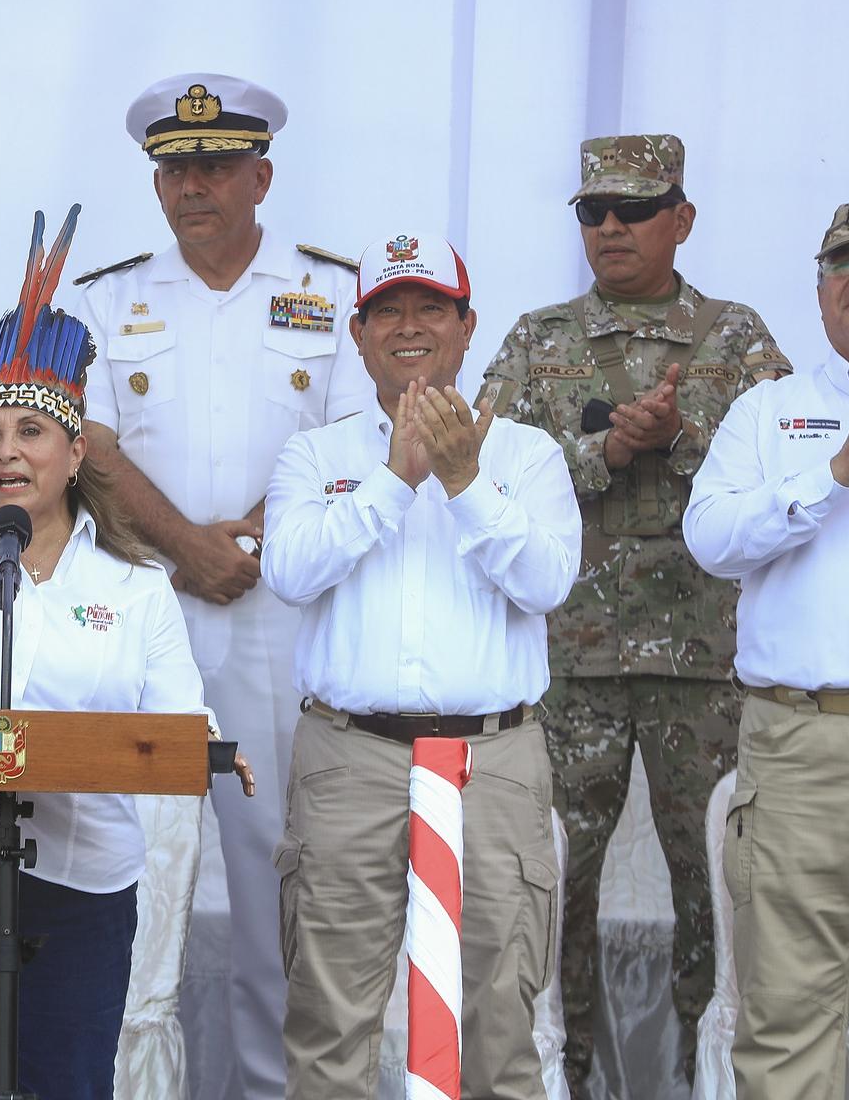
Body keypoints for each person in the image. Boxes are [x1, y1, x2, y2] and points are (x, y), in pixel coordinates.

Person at [0, 205, 252, 1099]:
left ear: (76, 453)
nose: (6, 453)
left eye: (30, 433)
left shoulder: (135, 586)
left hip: (77, 882)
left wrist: (209, 750)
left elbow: (178, 716)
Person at [72, 71, 374, 1095]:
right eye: (174, 170)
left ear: (261, 177)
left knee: (272, 875)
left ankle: (267, 1085)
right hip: (143, 615)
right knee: (119, 866)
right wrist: (187, 546)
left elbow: (351, 441)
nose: (192, 186)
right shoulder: (108, 297)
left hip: (272, 615)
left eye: (213, 165)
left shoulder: (334, 291)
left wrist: (245, 541)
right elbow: (90, 444)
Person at [475, 134, 791, 1092]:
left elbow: (783, 477)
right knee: (552, 883)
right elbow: (483, 474)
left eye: (634, 209)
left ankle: (710, 1076)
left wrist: (683, 437)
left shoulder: (737, 339)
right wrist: (603, 454)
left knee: (718, 881)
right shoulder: (537, 339)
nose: (610, 227)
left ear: (681, 219)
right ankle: (556, 1075)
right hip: (569, 659)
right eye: (592, 211)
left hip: (705, 659)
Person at [261, 233, 577, 1099]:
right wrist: (394, 483)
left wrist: (466, 482)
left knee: (500, 1029)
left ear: (467, 328)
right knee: (330, 1029)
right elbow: (287, 572)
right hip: (349, 759)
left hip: (492, 761)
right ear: (359, 335)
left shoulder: (526, 455)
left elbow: (548, 583)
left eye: (430, 308)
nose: (408, 327)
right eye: (387, 311)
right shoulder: (316, 456)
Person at [684, 200, 849, 1098]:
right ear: (821, 293)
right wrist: (832, 476)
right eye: (842, 263)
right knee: (785, 1029)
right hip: (796, 748)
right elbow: (710, 540)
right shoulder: (768, 411)